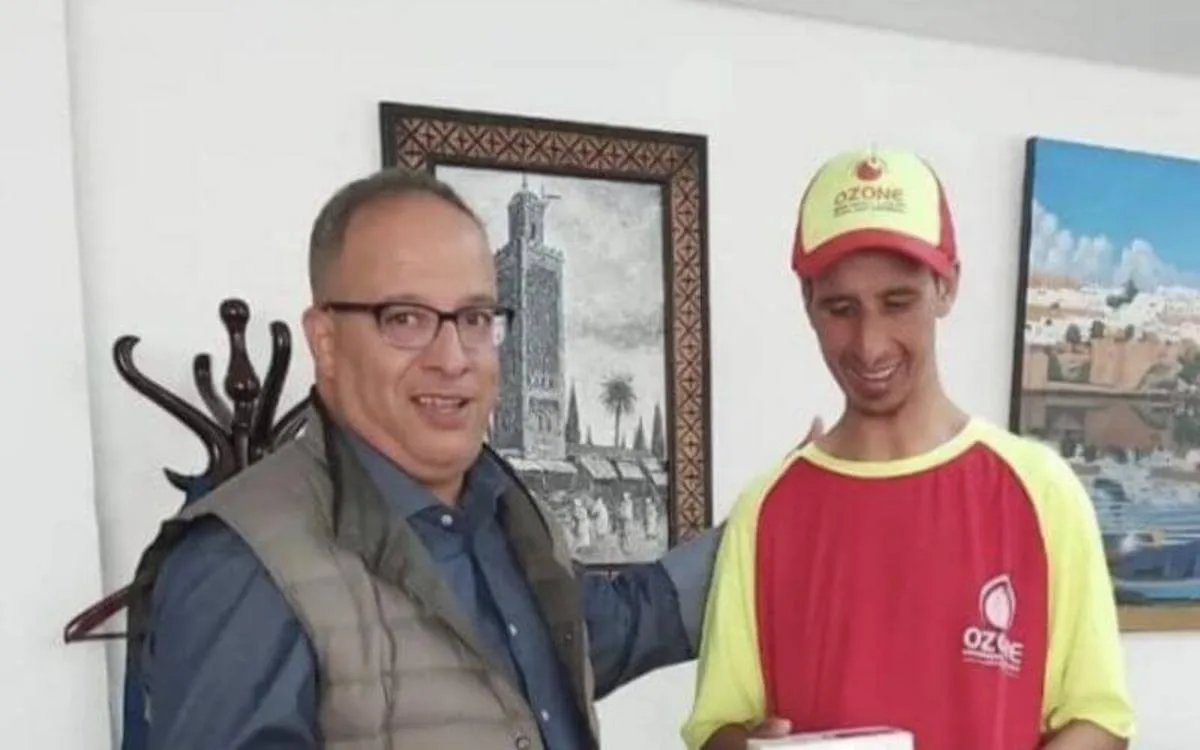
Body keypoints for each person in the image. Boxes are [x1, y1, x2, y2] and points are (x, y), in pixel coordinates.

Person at [124, 167, 725, 750]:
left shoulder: (508, 515)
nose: (453, 358)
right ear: (325, 342)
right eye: (405, 319)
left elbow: (623, 625)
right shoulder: (241, 563)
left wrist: (777, 520)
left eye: (475, 318)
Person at [681, 147, 1135, 750]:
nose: (870, 345)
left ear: (946, 286)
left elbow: (1098, 719)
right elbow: (715, 727)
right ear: (807, 301)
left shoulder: (1040, 491)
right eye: (841, 309)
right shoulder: (767, 510)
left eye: (898, 303)